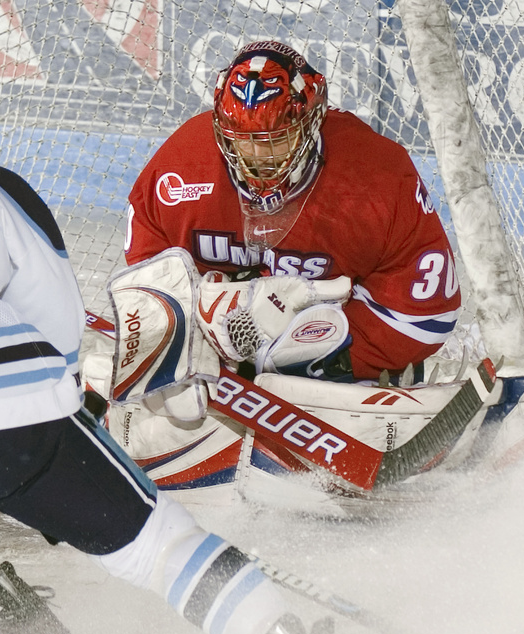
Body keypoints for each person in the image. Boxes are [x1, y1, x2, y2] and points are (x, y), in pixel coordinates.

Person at [0, 23, 375, 634]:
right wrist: (64, 433)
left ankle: (5, 608)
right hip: (3, 418)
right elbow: (59, 328)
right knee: (159, 546)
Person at [124, 38, 461, 385]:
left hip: (334, 347)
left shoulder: (377, 176)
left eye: (277, 139)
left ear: (313, 121)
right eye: (241, 138)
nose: (257, 156)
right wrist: (188, 335)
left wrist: (334, 358)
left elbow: (425, 314)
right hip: (218, 352)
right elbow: (149, 278)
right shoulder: (181, 167)